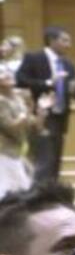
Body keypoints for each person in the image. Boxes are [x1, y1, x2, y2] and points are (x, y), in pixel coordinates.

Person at [16, 26, 75, 184]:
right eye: (64, 40)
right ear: (52, 40)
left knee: (56, 159)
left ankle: (51, 195)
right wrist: (48, 83)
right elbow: (20, 80)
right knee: (44, 159)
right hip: (40, 115)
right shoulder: (33, 58)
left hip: (61, 115)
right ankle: (40, 198)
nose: (68, 44)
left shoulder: (68, 64)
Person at [0, 68, 33, 196]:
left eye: (8, 72)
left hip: (18, 151)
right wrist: (25, 115)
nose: (8, 74)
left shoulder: (18, 99)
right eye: (2, 73)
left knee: (23, 189)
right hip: (5, 151)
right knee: (9, 191)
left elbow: (31, 124)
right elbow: (10, 127)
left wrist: (38, 109)